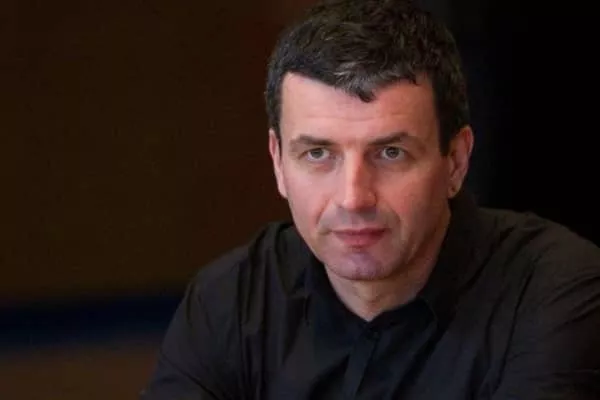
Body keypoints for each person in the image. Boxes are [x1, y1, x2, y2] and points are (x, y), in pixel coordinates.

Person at [140, 0, 600, 398]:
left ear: (456, 161)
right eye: (318, 154)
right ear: (278, 162)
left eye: (390, 153)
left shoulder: (552, 291)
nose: (353, 197)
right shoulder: (231, 301)